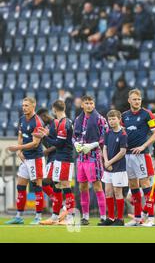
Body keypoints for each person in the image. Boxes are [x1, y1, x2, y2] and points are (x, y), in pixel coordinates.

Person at [122, 89, 155, 227]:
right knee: (133, 185)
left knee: (145, 184)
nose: (137, 101)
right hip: (128, 155)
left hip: (142, 155)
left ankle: (151, 217)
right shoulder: (124, 116)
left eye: (139, 99)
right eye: (134, 99)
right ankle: (137, 218)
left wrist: (143, 146)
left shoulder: (147, 114)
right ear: (129, 100)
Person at [6, 98, 45, 225]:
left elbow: (35, 143)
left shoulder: (38, 122)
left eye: (27, 105)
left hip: (36, 158)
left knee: (37, 187)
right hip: (25, 158)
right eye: (23, 105)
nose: (24, 107)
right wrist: (19, 151)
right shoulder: (22, 119)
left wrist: (17, 148)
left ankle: (38, 217)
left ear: (33, 106)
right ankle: (19, 216)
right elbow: (20, 135)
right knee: (20, 186)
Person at [36, 100, 75, 226]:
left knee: (66, 186)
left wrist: (45, 136)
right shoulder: (63, 122)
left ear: (54, 109)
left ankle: (71, 217)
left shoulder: (64, 123)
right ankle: (55, 216)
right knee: (57, 186)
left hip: (65, 158)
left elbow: (59, 143)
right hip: (59, 158)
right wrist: (47, 135)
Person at [73, 95, 108, 225]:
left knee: (97, 186)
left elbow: (105, 136)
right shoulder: (78, 119)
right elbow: (74, 136)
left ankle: (103, 217)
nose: (89, 105)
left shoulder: (100, 119)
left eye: (91, 103)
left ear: (94, 105)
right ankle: (85, 217)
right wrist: (75, 143)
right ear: (82, 105)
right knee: (82, 186)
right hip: (81, 157)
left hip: (94, 157)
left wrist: (93, 145)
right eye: (86, 103)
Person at [99, 110, 128, 226]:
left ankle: (120, 219)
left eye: (113, 119)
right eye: (109, 119)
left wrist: (109, 162)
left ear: (119, 119)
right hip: (108, 167)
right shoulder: (108, 132)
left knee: (118, 192)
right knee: (108, 192)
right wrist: (106, 162)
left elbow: (122, 152)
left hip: (119, 167)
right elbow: (104, 148)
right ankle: (111, 218)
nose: (111, 121)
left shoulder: (123, 134)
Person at [35, 108, 57, 209]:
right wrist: (42, 137)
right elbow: (49, 143)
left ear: (44, 116)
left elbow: (60, 144)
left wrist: (46, 151)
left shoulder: (55, 124)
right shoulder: (47, 126)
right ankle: (60, 208)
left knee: (45, 183)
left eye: (41, 119)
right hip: (51, 159)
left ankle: (60, 206)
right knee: (54, 186)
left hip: (57, 158)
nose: (40, 122)